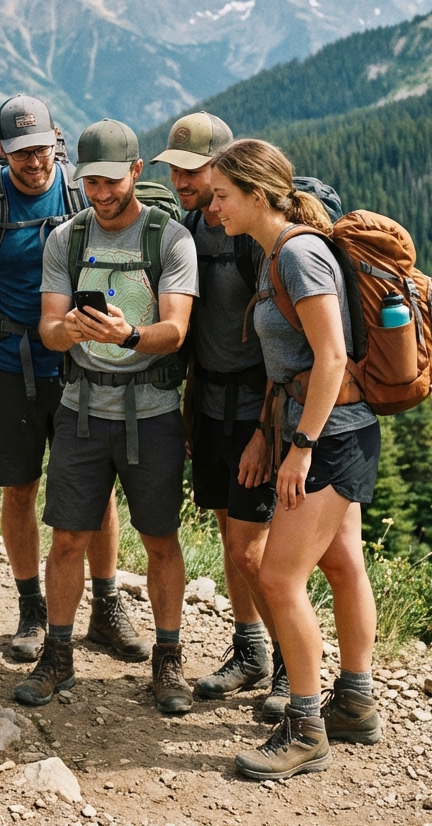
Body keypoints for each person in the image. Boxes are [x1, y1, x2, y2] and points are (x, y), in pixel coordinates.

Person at [207, 139, 381, 781]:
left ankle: (306, 729)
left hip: (330, 437)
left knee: (280, 579)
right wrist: (268, 432)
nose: (214, 207)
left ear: (257, 195)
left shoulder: (299, 256)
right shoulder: (276, 251)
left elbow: (331, 357)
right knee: (342, 563)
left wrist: (300, 448)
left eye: (223, 195)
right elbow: (290, 365)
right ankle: (355, 703)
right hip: (329, 430)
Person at [16, 118, 199, 712]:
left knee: (160, 540)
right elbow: (47, 328)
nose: (100, 193)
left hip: (153, 412)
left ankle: (168, 660)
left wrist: (129, 335)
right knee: (69, 537)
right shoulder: (65, 240)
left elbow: (176, 331)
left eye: (112, 181)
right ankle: (58, 655)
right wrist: (66, 329)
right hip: (82, 409)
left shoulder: (170, 239)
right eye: (91, 182)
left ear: (136, 172)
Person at [0, 95, 147, 664]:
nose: (33, 161)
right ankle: (31, 607)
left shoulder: (78, 192)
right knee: (19, 487)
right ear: (3, 150)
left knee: (97, 488)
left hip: (79, 364)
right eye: (21, 152)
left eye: (41, 148)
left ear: (56, 141)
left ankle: (106, 604)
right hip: (7, 364)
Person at [152, 112, 289, 720]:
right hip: (207, 405)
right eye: (175, 170)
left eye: (194, 170)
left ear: (224, 168)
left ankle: (288, 664)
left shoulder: (253, 238)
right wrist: (187, 409)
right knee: (230, 536)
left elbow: (280, 342)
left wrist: (264, 432)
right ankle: (250, 648)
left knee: (252, 547)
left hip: (256, 409)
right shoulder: (188, 230)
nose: (182, 181)